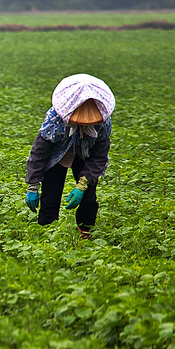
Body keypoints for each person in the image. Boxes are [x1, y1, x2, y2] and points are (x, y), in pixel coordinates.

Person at [25, 74, 114, 239]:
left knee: (88, 199)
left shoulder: (102, 122)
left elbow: (99, 157)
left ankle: (85, 233)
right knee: (50, 197)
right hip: (58, 153)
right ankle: (46, 234)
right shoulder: (55, 119)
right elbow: (39, 152)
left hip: (85, 153)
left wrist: (82, 185)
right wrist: (32, 185)